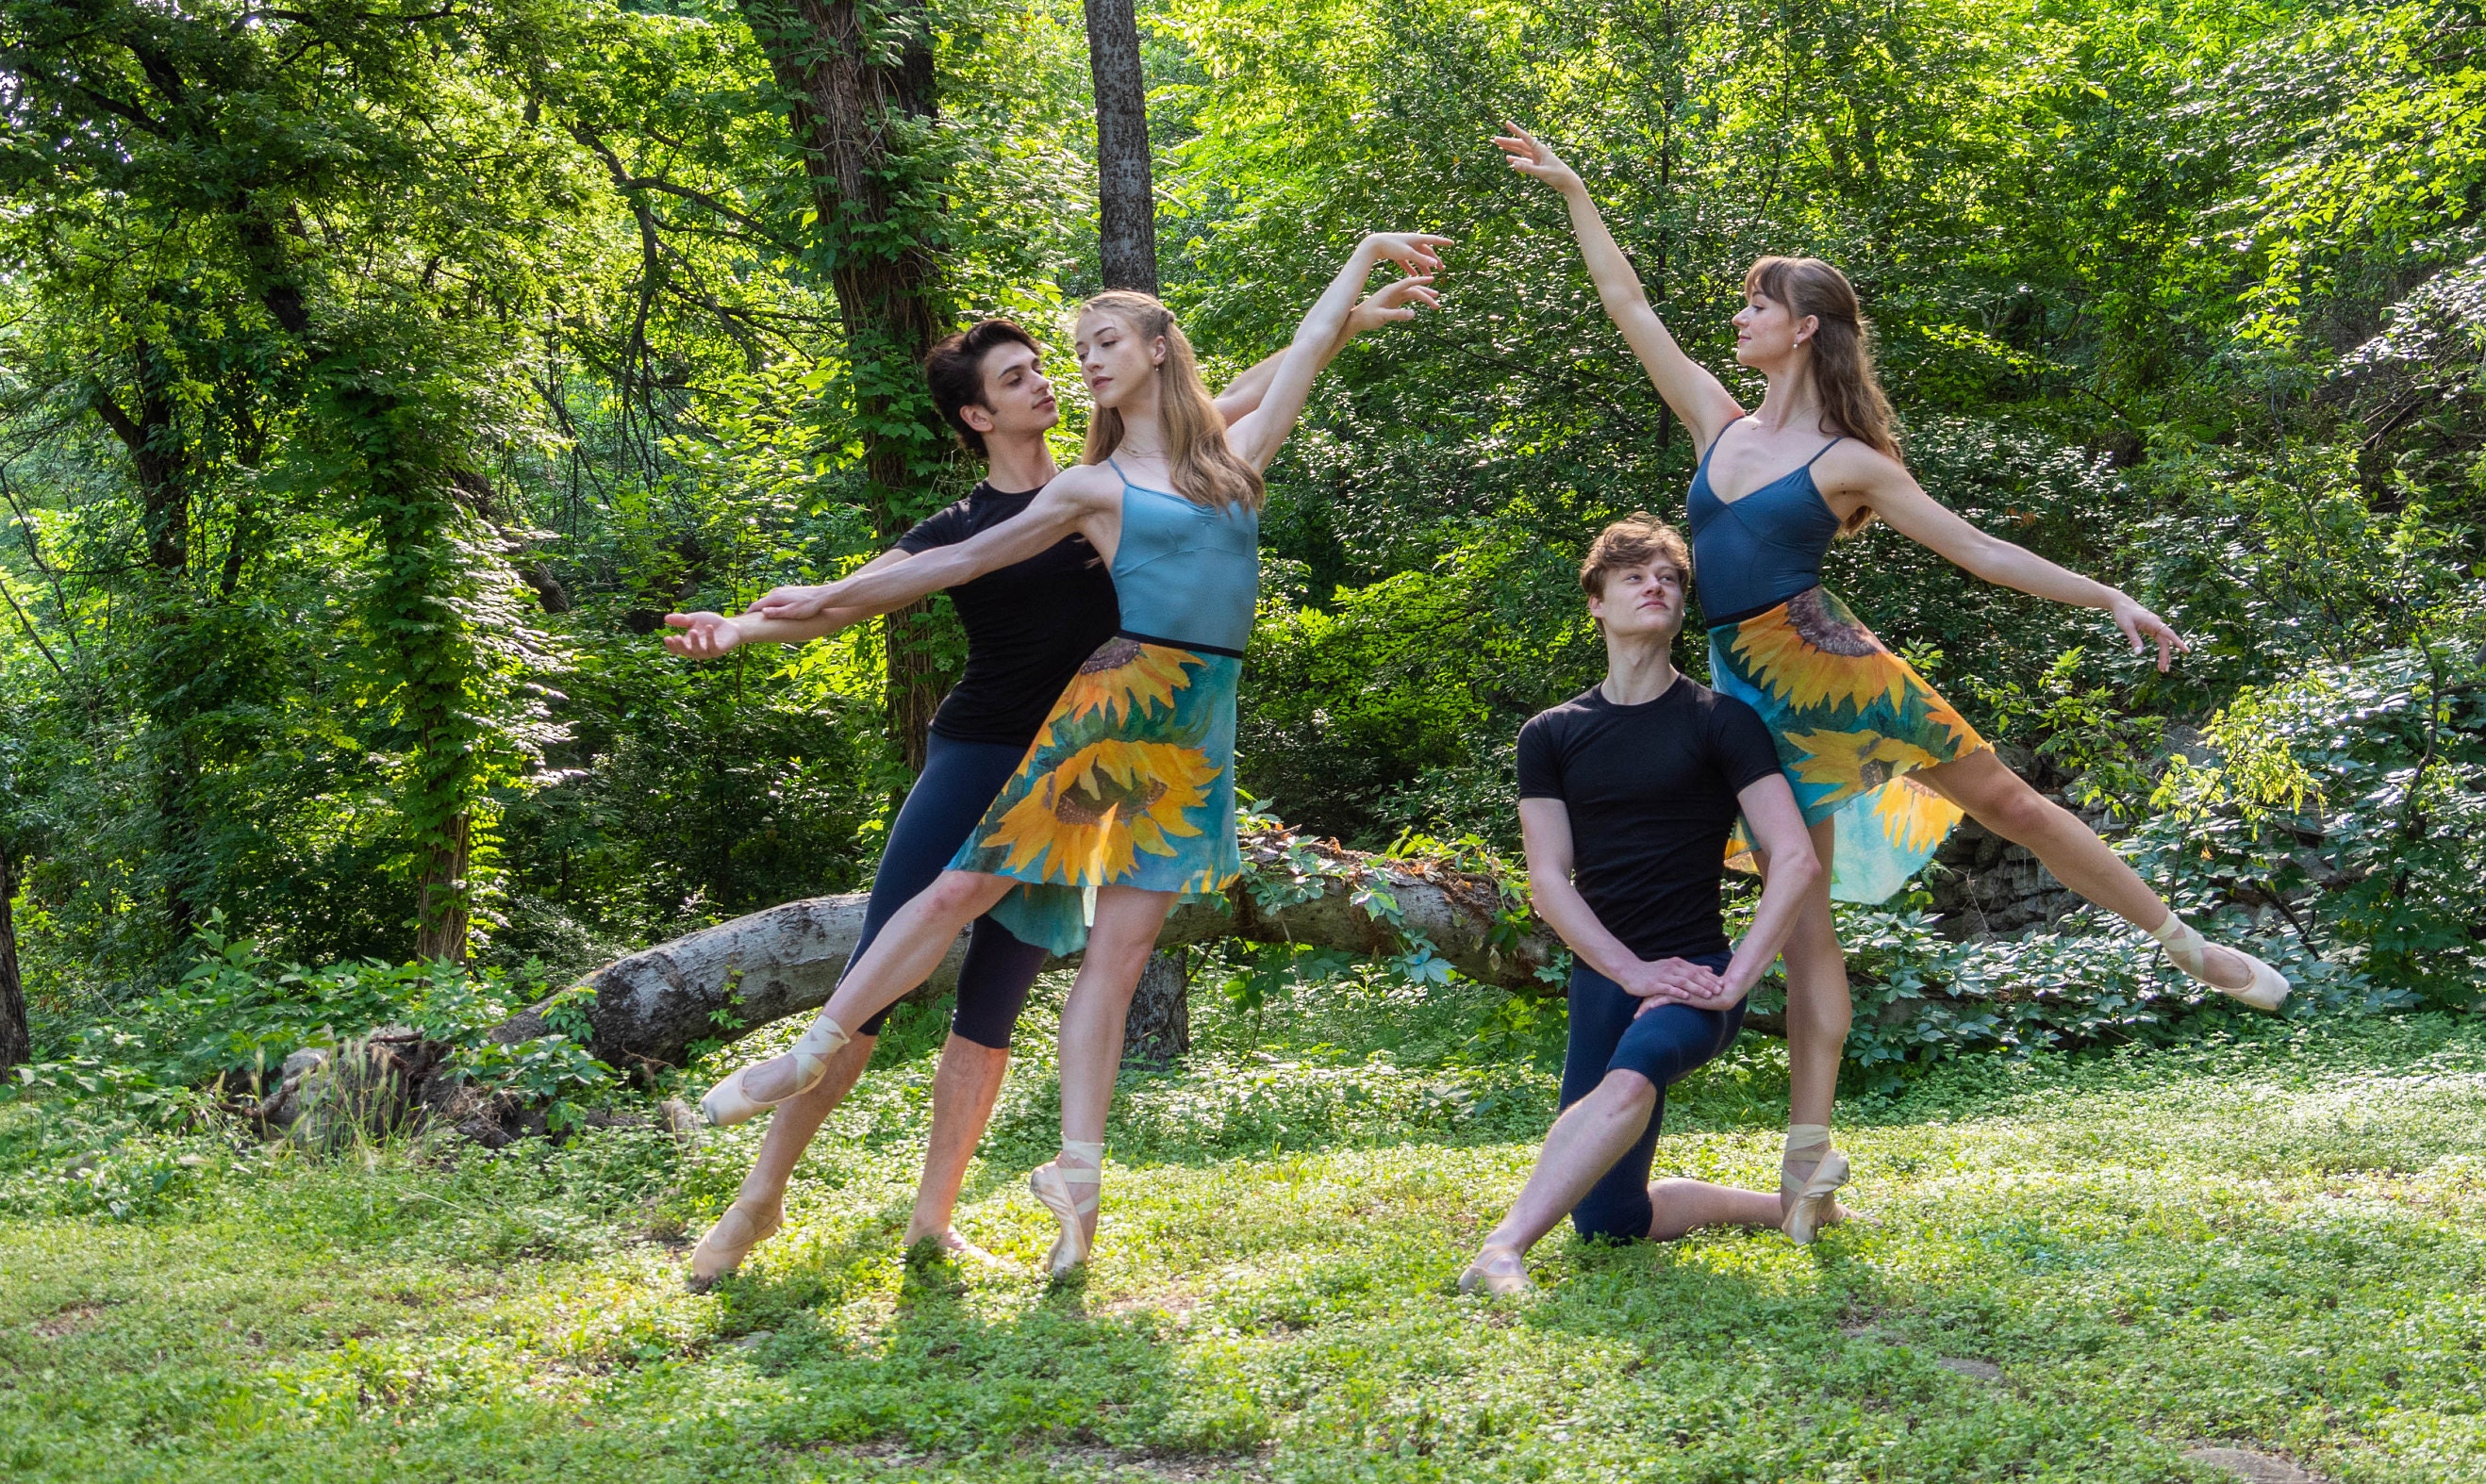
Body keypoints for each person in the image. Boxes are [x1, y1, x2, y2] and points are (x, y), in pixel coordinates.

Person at [1494, 121, 2287, 1246]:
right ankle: (1808, 1159)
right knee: (1807, 926)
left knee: (2008, 803)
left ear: (1803, 327)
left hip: (1835, 666)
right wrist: (1575, 191)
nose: (1739, 318)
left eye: (1758, 304)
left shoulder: (1851, 463)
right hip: (1748, 695)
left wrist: (2105, 594)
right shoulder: (1717, 427)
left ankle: (2182, 945)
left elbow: (1982, 552)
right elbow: (1630, 309)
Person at [691, 231, 1450, 1276]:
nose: (1060, 374)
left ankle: (937, 1220)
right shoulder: (1047, 503)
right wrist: (759, 620)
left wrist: (1349, 304)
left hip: (1153, 736)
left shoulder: (1137, 468)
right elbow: (923, 572)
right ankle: (766, 1178)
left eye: (1077, 354)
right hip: (1002, 745)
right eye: (1029, 372)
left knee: (1002, 998)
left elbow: (1245, 379)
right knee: (907, 939)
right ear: (977, 415)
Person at [1459, 517, 1825, 1296]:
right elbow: (1549, 880)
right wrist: (1630, 972)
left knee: (1629, 1081)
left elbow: (1794, 859)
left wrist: (1732, 981)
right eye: (1633, 575)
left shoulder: (1723, 722)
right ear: (1595, 601)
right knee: (1611, 1221)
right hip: (1607, 978)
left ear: (1682, 606)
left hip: (1697, 976)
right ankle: (1788, 1206)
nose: (1655, 585)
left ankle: (1503, 1248)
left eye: (1670, 578)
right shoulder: (1551, 735)